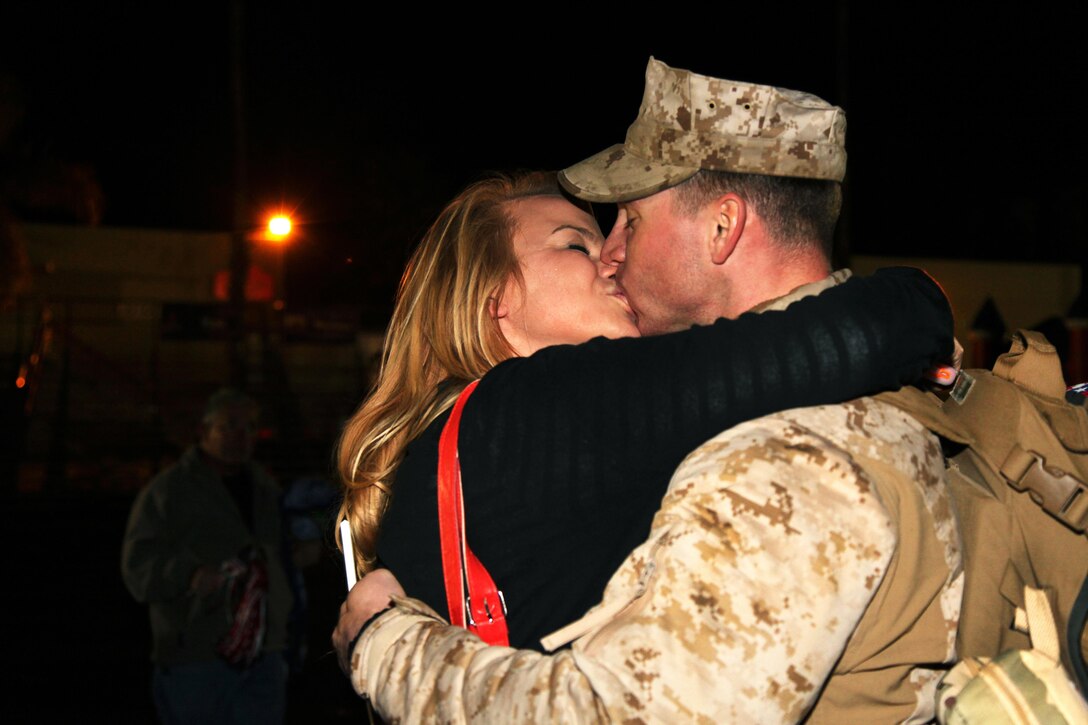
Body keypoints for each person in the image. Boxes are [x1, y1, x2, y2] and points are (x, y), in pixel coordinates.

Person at [334, 58, 965, 723]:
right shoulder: (541, 403)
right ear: (496, 300)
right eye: (577, 245)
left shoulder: (472, 438)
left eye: (622, 225)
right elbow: (825, 344)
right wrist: (918, 301)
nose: (611, 255)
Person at [121, 388, 293, 725]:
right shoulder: (168, 491)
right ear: (203, 431)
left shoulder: (266, 489)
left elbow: (282, 553)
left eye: (248, 428)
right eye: (228, 426)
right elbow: (137, 566)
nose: (240, 437)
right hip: (198, 653)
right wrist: (189, 575)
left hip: (264, 651)